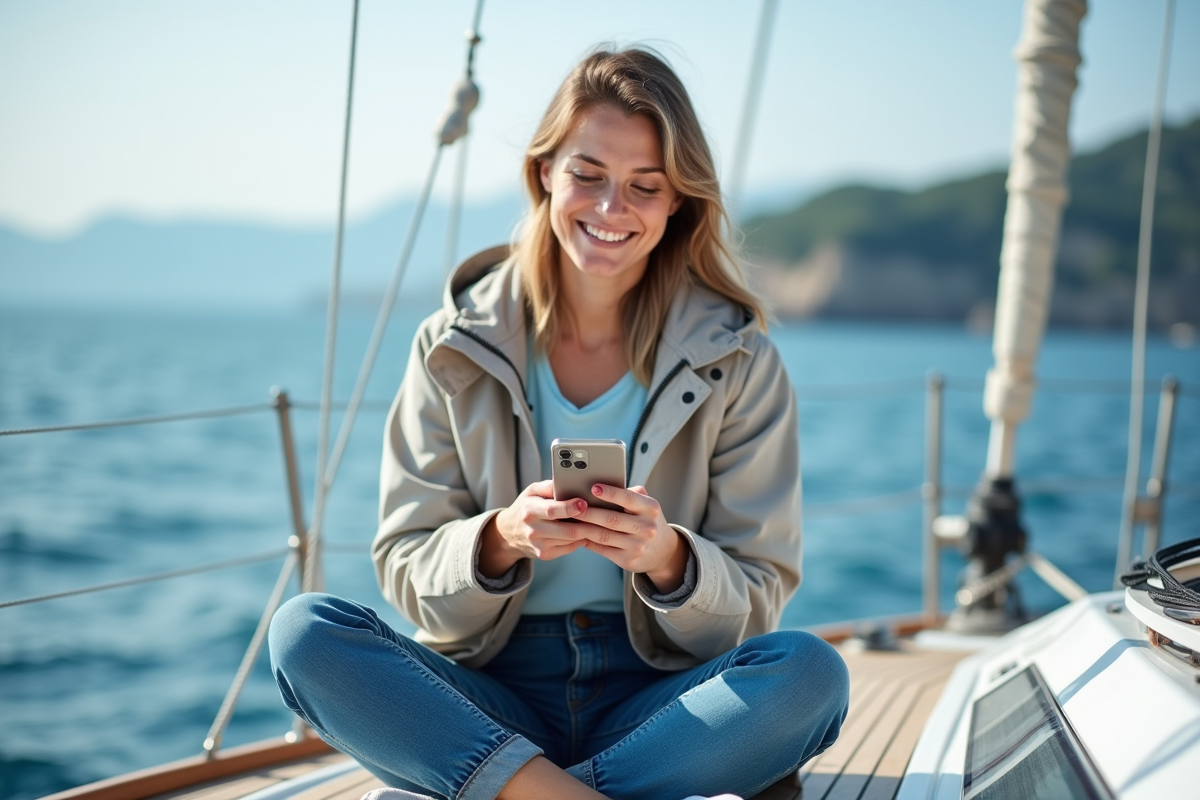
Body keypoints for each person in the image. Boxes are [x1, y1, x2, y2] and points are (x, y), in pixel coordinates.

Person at [269, 47, 849, 800]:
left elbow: (758, 595)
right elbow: (408, 569)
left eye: (645, 186)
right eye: (588, 175)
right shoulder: (450, 345)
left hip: (659, 701)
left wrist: (670, 559)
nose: (611, 210)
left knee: (810, 676)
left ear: (678, 201)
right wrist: (500, 539)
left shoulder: (741, 360)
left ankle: (517, 789)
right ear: (545, 171)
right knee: (304, 633)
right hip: (491, 695)